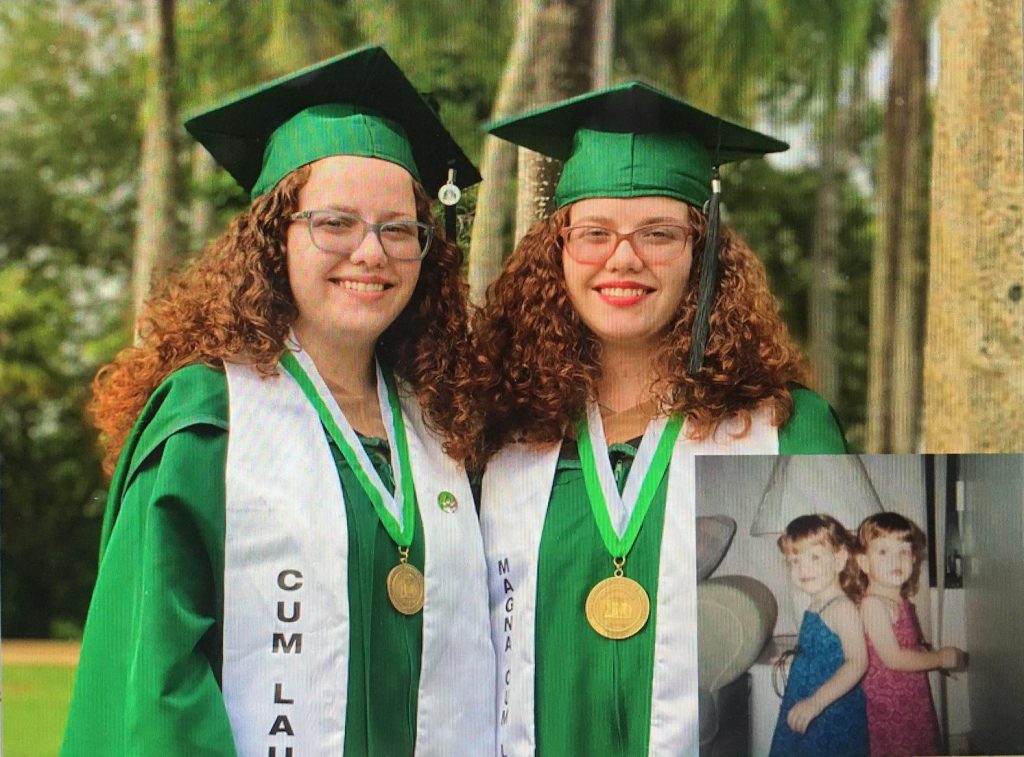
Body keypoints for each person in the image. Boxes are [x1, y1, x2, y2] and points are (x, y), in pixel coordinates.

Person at [61, 47, 494, 757]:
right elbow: (155, 679)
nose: (372, 252)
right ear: (273, 239)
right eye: (335, 223)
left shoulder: (437, 424)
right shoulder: (210, 417)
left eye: (398, 229)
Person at [473, 81, 848, 756]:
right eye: (594, 233)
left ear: (702, 255)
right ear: (556, 251)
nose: (624, 257)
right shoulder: (502, 434)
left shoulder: (784, 425)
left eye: (659, 233)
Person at [855, 512, 965, 756]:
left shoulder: (900, 601)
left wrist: (924, 652)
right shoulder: (873, 605)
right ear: (863, 563)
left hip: (910, 697)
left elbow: (907, 644)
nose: (896, 560)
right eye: (883, 552)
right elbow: (894, 658)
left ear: (914, 559)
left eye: (904, 551)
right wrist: (940, 658)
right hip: (890, 708)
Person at [769, 514, 868, 757]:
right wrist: (797, 658)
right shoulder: (815, 603)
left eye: (814, 557)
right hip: (805, 701)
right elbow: (821, 647)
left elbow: (857, 662)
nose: (803, 568)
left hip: (829, 710)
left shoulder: (841, 608)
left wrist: (816, 702)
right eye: (794, 561)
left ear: (839, 559)